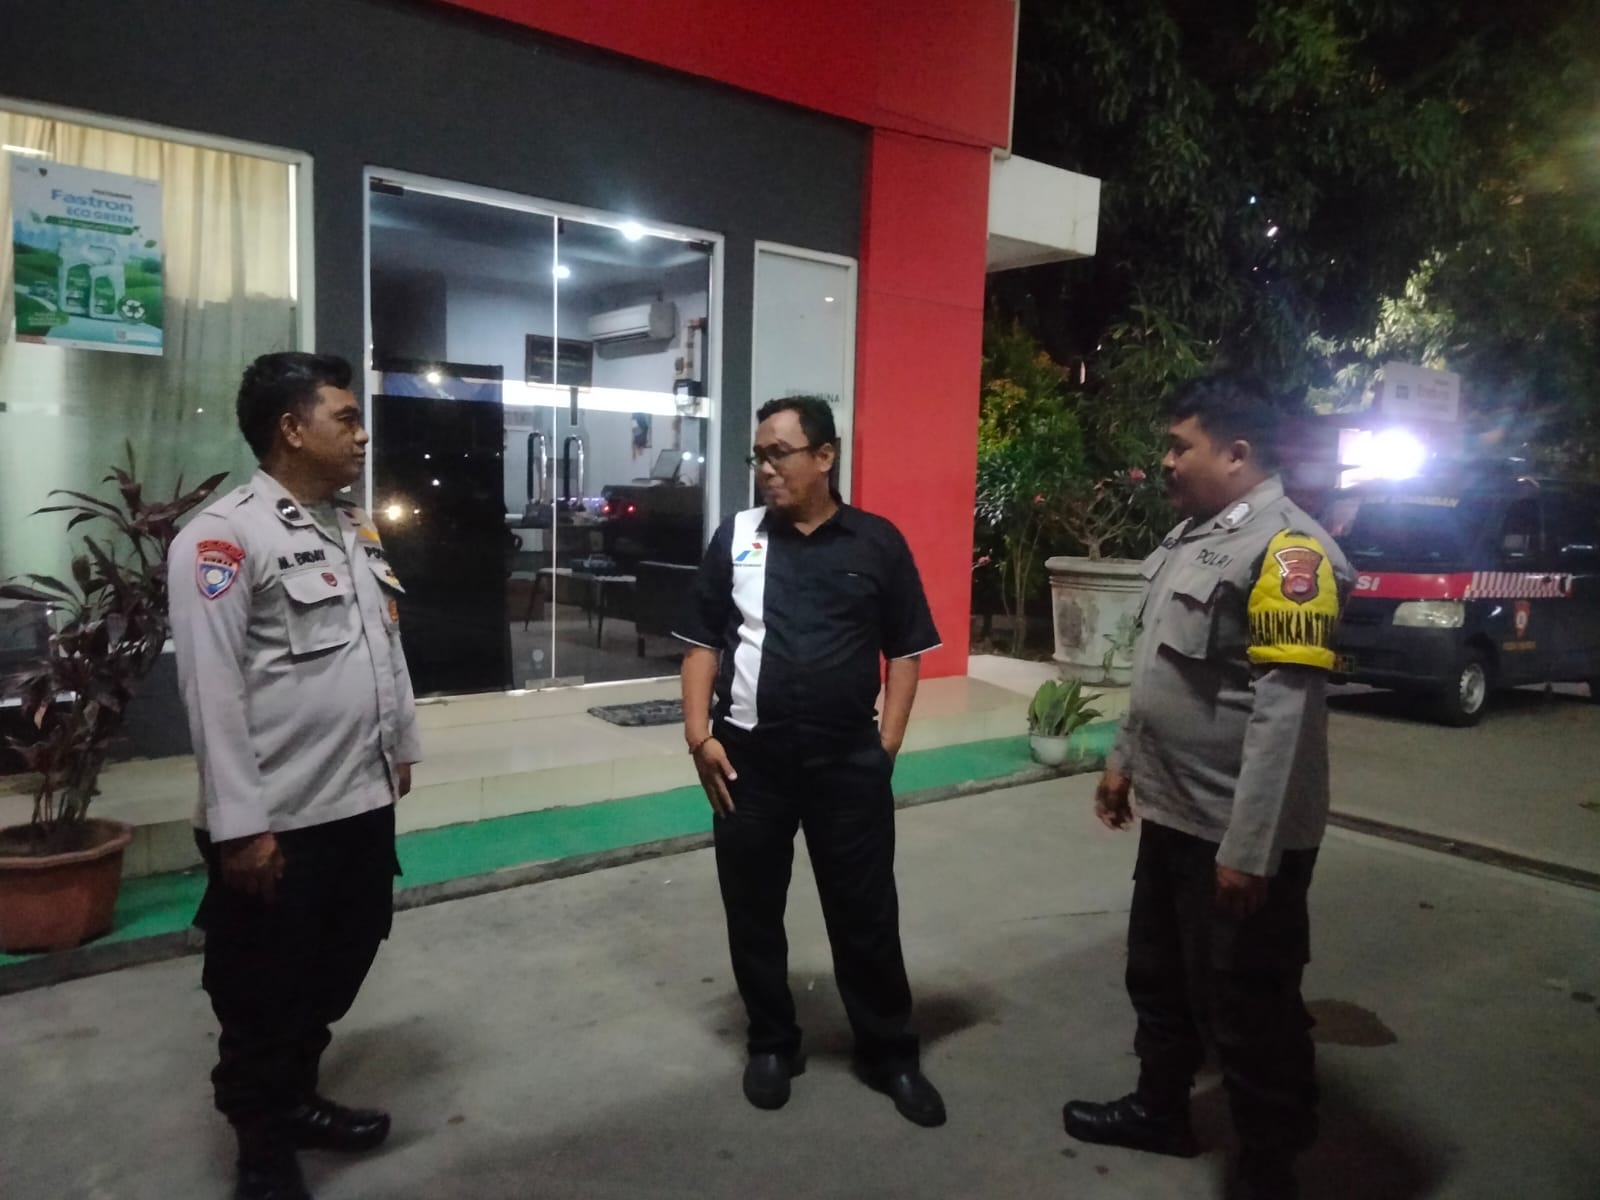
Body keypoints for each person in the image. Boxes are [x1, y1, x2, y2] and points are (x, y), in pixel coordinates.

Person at [1062, 376, 1353, 1200]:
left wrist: (1250, 849)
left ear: (1236, 453)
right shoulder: (1193, 536)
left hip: (1235, 829)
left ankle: (1268, 1167)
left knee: (1249, 1003)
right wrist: (1124, 760)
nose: (1165, 461)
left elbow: (1285, 717)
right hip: (1174, 808)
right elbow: (1159, 668)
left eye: (1179, 445)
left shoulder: (1290, 553)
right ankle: (1160, 1110)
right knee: (1158, 974)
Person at [169, 352, 421, 1200]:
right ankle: (261, 1147)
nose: (362, 434)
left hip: (359, 799)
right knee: (261, 989)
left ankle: (297, 1098)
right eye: (345, 418)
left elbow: (384, 644)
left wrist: (400, 743)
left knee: (342, 958)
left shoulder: (353, 527)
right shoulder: (223, 537)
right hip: (280, 817)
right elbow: (211, 692)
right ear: (292, 429)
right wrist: (241, 826)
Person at [674, 396, 948, 1128]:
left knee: (865, 912)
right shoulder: (736, 538)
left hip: (846, 763)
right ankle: (772, 1042)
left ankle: (888, 1053)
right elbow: (701, 641)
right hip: (749, 762)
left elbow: (907, 650)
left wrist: (886, 746)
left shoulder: (877, 543)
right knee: (753, 909)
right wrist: (699, 737)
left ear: (825, 456)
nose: (765, 469)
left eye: (779, 454)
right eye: (758, 456)